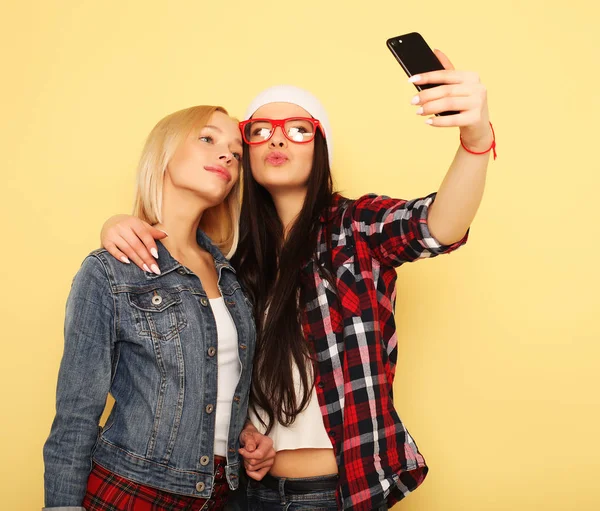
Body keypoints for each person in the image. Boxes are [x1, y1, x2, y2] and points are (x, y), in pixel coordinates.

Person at [98, 49, 495, 510]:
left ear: (319, 146)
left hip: (330, 492)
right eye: (260, 132)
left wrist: (475, 137)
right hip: (239, 492)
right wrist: (116, 225)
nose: (277, 141)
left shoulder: (354, 227)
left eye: (299, 130)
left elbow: (437, 226)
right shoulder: (227, 256)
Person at [43, 105, 274, 511]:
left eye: (236, 153)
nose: (226, 155)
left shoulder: (232, 279)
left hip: (224, 496)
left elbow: (209, 387)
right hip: (133, 492)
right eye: (207, 139)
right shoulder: (110, 271)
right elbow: (76, 414)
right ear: (163, 154)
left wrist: (244, 434)